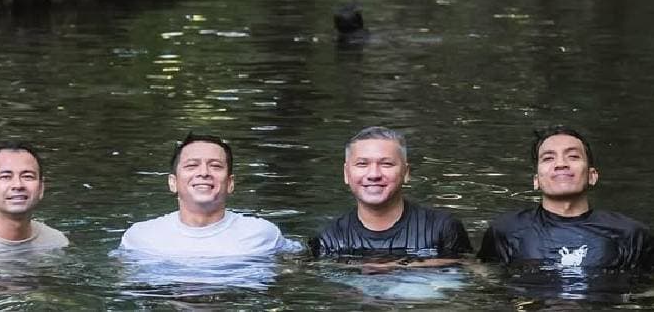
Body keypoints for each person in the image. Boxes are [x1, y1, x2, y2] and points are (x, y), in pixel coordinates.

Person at [478, 126, 654, 272]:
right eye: (548, 158)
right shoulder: (506, 231)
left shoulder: (630, 234)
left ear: (592, 175)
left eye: (573, 156)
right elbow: (488, 282)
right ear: (536, 180)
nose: (561, 164)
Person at [117, 132, 301, 259]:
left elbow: (296, 271)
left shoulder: (263, 235)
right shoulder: (140, 238)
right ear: (172, 182)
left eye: (215, 166)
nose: (204, 172)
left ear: (230, 183)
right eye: (191, 165)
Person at [310, 126, 472, 261]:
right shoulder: (328, 238)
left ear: (406, 172)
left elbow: (468, 274)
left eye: (386, 164)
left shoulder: (442, 228)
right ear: (346, 173)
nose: (374, 174)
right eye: (362, 164)